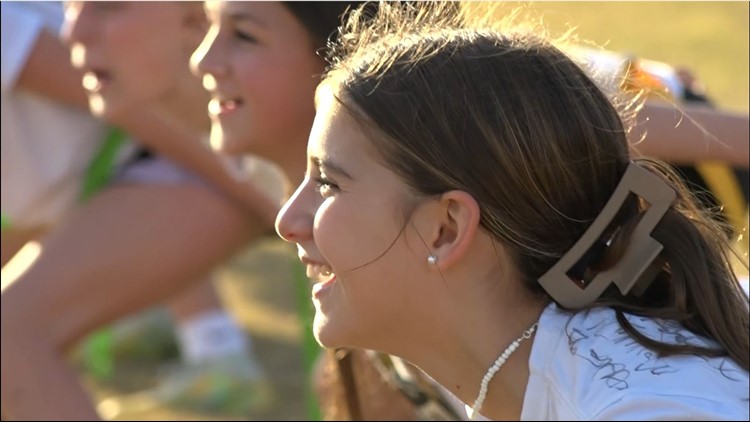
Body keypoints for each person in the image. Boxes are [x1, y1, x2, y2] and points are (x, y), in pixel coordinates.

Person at [275, 2, 749, 420]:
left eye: (327, 183)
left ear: (445, 229)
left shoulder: (646, 409)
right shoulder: (531, 382)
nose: (287, 222)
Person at [0, 2, 284, 420]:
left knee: (9, 335)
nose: (76, 30)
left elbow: (132, 101)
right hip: (112, 180)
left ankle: (217, 350)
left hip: (179, 160)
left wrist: (274, 197)